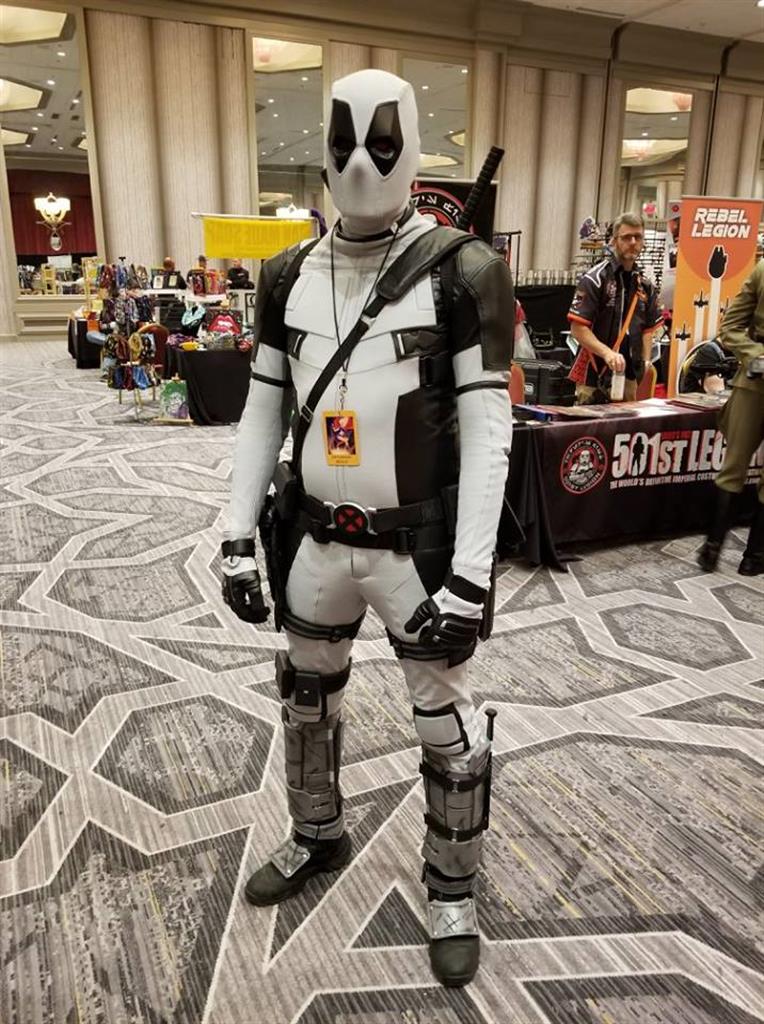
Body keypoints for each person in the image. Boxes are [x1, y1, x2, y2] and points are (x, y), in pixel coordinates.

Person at [220, 68, 514, 988]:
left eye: (381, 145)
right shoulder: (285, 276)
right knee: (306, 697)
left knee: (445, 723)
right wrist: (235, 533)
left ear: (412, 150)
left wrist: (471, 572)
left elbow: (490, 430)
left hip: (416, 551)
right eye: (344, 144)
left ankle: (452, 889)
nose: (360, 165)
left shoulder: (465, 270)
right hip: (314, 540)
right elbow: (262, 412)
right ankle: (318, 832)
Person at [697, 260, 764, 576]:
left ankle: (755, 556)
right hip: (755, 382)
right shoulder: (762, 270)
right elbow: (731, 327)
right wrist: (756, 355)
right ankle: (712, 548)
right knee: (733, 466)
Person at [567, 212, 663, 404]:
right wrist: (607, 353)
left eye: (638, 237)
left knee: (625, 422)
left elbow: (648, 329)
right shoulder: (595, 279)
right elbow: (578, 328)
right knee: (590, 422)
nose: (633, 242)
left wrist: (645, 361)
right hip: (595, 373)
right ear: (614, 241)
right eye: (626, 237)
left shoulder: (645, 285)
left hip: (629, 376)